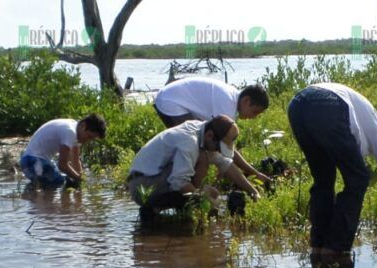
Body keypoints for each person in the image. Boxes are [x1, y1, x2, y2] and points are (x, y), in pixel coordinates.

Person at [287, 82, 377, 258]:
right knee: (359, 179)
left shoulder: (362, 118)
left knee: (324, 179)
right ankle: (335, 249)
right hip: (328, 105)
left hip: (297, 105)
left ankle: (318, 247)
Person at [126, 115, 260, 220]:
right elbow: (179, 182)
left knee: (207, 182)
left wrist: (253, 191)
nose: (218, 152)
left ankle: (159, 210)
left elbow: (226, 164)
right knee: (203, 159)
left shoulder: (203, 129)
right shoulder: (190, 142)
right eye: (218, 148)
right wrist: (209, 203)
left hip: (151, 178)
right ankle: (157, 208)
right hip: (143, 185)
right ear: (210, 136)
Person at [154, 77, 272, 188]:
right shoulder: (228, 106)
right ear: (246, 101)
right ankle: (191, 192)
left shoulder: (233, 99)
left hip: (171, 97)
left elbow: (226, 149)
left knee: (205, 147)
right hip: (171, 102)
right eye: (254, 112)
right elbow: (227, 150)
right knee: (196, 147)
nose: (253, 117)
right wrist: (254, 173)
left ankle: (192, 187)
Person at [20, 114, 106, 188]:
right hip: (33, 162)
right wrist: (79, 179)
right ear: (83, 125)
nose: (87, 141)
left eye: (91, 139)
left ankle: (34, 190)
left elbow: (75, 160)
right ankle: (31, 193)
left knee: (66, 179)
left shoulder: (76, 131)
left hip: (33, 161)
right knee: (61, 182)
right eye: (89, 136)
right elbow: (62, 165)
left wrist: (80, 176)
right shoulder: (70, 132)